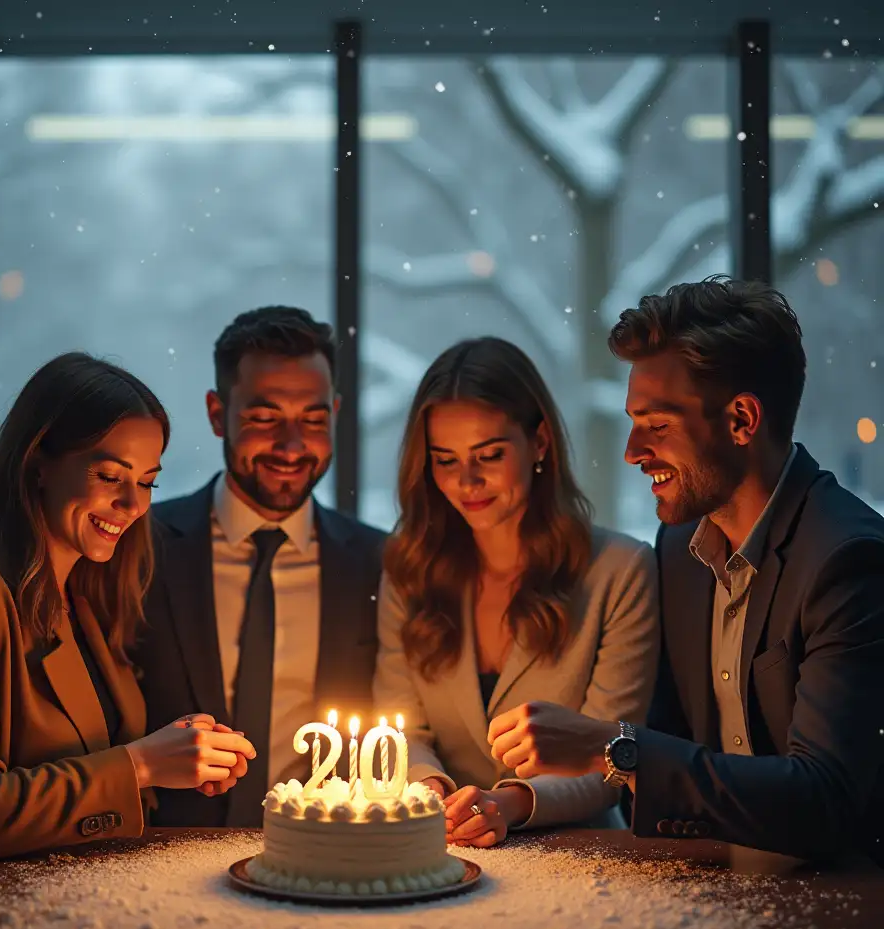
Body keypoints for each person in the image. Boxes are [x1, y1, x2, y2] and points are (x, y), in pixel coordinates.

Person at [489, 277, 884, 864]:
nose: (632, 450)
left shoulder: (848, 560)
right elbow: (674, 750)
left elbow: (825, 799)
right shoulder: (679, 548)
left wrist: (613, 746)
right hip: (715, 904)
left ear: (742, 420)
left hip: (840, 915)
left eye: (659, 423)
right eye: (631, 420)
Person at [0, 353, 255, 862]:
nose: (134, 505)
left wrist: (180, 751)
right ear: (37, 465)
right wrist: (142, 764)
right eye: (109, 475)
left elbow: (95, 762)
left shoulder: (86, 591)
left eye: (147, 482)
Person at [373, 336, 659, 848]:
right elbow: (403, 733)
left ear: (541, 442)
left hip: (580, 858)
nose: (467, 481)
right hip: (440, 849)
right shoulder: (409, 571)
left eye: (489, 455)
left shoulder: (620, 571)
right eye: (445, 460)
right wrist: (431, 793)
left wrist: (508, 803)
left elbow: (613, 760)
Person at [135, 307, 386, 827]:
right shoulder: (141, 548)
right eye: (264, 418)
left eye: (313, 420)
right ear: (215, 412)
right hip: (158, 863)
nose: (292, 445)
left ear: (335, 413)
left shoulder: (380, 564)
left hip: (323, 864)